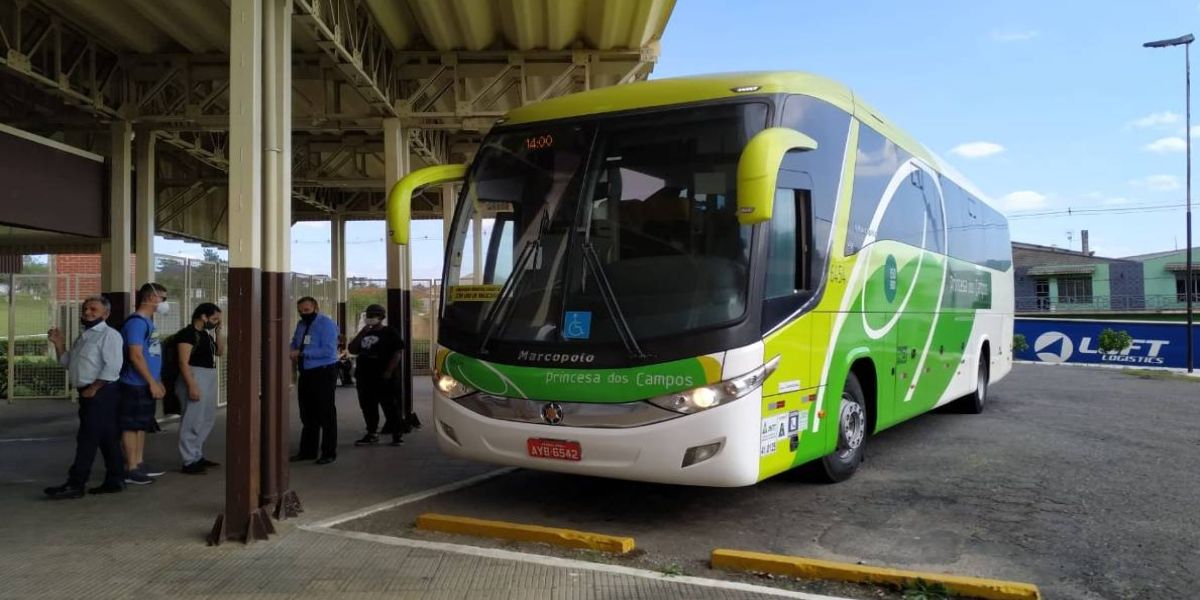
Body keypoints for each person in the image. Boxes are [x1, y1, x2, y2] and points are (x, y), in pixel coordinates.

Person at [43, 297, 126, 499]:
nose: (88, 312)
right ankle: (115, 480)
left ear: (106, 314)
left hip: (101, 393)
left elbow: (113, 367)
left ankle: (76, 483)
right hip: (90, 393)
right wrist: (59, 344)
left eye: (93, 309)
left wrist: (94, 388)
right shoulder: (85, 336)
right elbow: (68, 362)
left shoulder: (109, 335)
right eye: (85, 308)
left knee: (87, 438)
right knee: (107, 438)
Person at [118, 282, 169, 485]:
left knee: (141, 425)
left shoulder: (148, 322)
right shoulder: (136, 323)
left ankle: (138, 463)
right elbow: (136, 355)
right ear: (150, 297)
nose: (164, 302)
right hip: (134, 384)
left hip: (146, 383)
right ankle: (130, 468)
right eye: (163, 298)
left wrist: (157, 380)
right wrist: (151, 381)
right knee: (131, 425)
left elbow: (152, 354)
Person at [289, 297, 340, 465]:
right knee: (307, 414)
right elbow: (295, 342)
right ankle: (308, 451)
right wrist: (291, 350)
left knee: (326, 413)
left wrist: (303, 353)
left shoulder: (326, 324)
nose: (303, 313)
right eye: (300, 311)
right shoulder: (301, 324)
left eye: (307, 310)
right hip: (306, 373)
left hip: (323, 372)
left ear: (315, 308)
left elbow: (329, 350)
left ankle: (329, 452)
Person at [175, 303, 223, 474]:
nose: (216, 322)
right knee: (192, 419)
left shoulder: (206, 335)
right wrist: (192, 385)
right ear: (203, 316)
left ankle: (197, 454)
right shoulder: (187, 334)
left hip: (208, 375)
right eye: (214, 318)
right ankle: (188, 460)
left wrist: (218, 333)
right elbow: (183, 362)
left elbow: (219, 352)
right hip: (194, 375)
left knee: (206, 419)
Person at [348, 304, 404, 447]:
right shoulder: (365, 332)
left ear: (381, 317)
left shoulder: (389, 332)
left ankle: (397, 434)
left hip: (383, 376)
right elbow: (352, 349)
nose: (370, 318)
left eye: (374, 315)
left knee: (389, 405)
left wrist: (389, 371)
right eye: (369, 315)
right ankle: (372, 433)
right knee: (368, 406)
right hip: (364, 376)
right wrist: (362, 332)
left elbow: (397, 353)